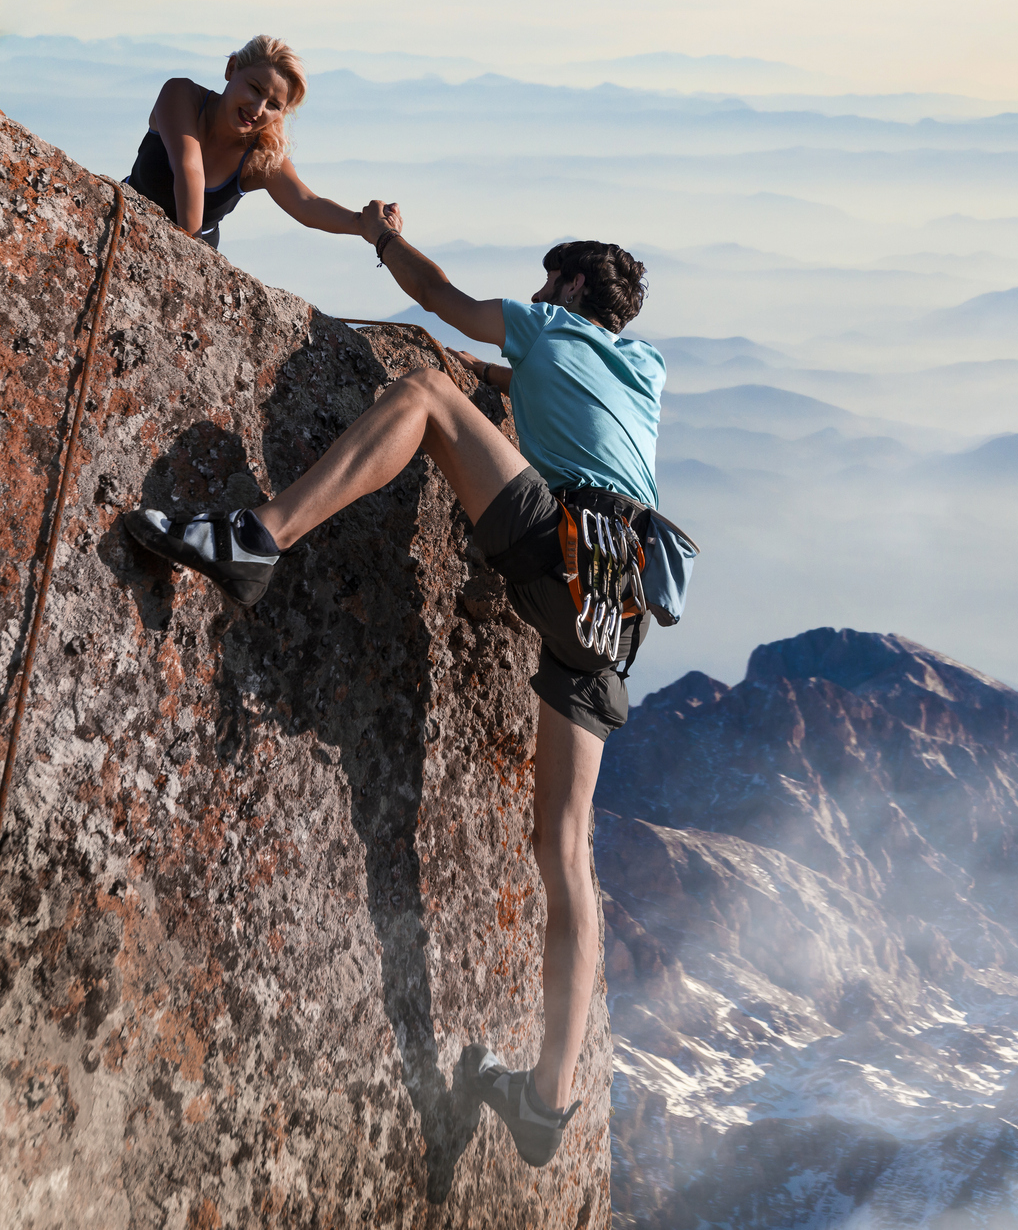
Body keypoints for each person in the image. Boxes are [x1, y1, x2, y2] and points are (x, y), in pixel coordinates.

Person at [123, 209, 664, 1169]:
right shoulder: (647, 373)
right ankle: (546, 1101)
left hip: (562, 549)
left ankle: (256, 538)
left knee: (419, 392)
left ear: (574, 290)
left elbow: (439, 301)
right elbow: (550, 395)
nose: (537, 299)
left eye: (548, 286)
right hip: (615, 611)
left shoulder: (550, 326)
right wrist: (506, 385)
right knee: (565, 853)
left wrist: (381, 237)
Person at [125, 35, 395, 251]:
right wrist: (189, 253)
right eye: (255, 88)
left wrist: (364, 225)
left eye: (274, 105)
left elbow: (307, 203)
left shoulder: (261, 157)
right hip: (128, 223)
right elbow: (189, 169)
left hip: (197, 253)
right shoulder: (181, 94)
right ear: (231, 69)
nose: (257, 108)